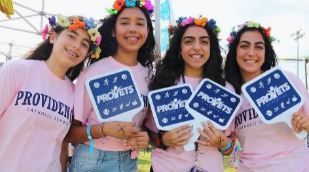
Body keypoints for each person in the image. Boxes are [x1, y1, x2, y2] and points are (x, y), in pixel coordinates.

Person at [0, 15, 101, 171]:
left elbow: (61, 144)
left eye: (84, 44)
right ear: (53, 36)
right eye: (72, 36)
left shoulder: (74, 93)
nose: (76, 46)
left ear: (87, 54)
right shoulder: (17, 70)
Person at [66, 0, 155, 171]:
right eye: (124, 22)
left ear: (147, 31)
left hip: (129, 161)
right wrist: (104, 129)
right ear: (114, 31)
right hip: (92, 160)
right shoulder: (93, 72)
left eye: (140, 23)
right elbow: (70, 132)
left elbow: (145, 127)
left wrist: (144, 137)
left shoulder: (149, 78)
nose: (132, 29)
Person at [146, 16, 234, 172]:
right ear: (179, 49)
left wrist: (223, 144)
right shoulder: (163, 85)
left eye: (204, 42)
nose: (197, 47)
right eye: (188, 41)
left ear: (211, 49)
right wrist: (164, 140)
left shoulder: (226, 89)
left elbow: (229, 148)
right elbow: (149, 134)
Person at [224, 21, 309, 172]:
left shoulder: (285, 79)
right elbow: (226, 147)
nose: (251, 52)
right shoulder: (230, 94)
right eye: (244, 45)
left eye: (259, 46)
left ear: (266, 52)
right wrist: (222, 143)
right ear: (234, 50)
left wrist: (306, 124)